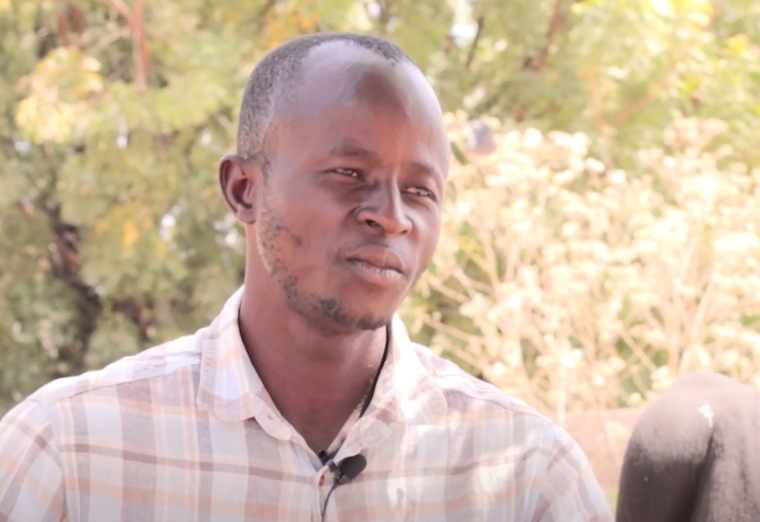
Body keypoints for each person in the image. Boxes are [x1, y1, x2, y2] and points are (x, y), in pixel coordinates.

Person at [0, 33, 612, 521]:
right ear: (244, 190)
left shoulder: (528, 475)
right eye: (349, 174)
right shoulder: (68, 453)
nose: (391, 216)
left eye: (420, 191)